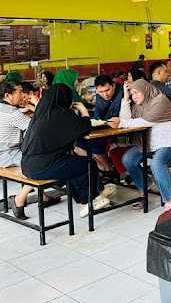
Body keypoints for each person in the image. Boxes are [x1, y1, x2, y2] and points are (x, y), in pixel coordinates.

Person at [21, 84, 110, 218]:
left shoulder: (41, 113)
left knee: (73, 164)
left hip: (27, 165)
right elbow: (85, 127)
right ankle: (87, 202)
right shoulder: (61, 113)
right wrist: (83, 110)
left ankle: (96, 194)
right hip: (43, 166)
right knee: (87, 163)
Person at [108, 79, 171, 212]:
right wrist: (125, 99)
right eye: (132, 94)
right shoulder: (138, 106)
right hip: (148, 144)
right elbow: (126, 119)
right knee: (128, 160)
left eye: (137, 93)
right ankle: (147, 186)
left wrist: (121, 123)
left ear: (146, 90)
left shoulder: (160, 101)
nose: (134, 96)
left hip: (168, 142)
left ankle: (170, 199)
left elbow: (145, 122)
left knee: (156, 163)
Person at [0, 80, 59, 219]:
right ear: (8, 96)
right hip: (6, 154)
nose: (23, 95)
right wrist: (36, 104)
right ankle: (19, 199)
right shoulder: (12, 113)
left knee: (32, 158)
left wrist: (26, 107)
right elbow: (40, 128)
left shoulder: (6, 109)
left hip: (5, 151)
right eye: (20, 92)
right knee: (42, 163)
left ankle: (43, 197)